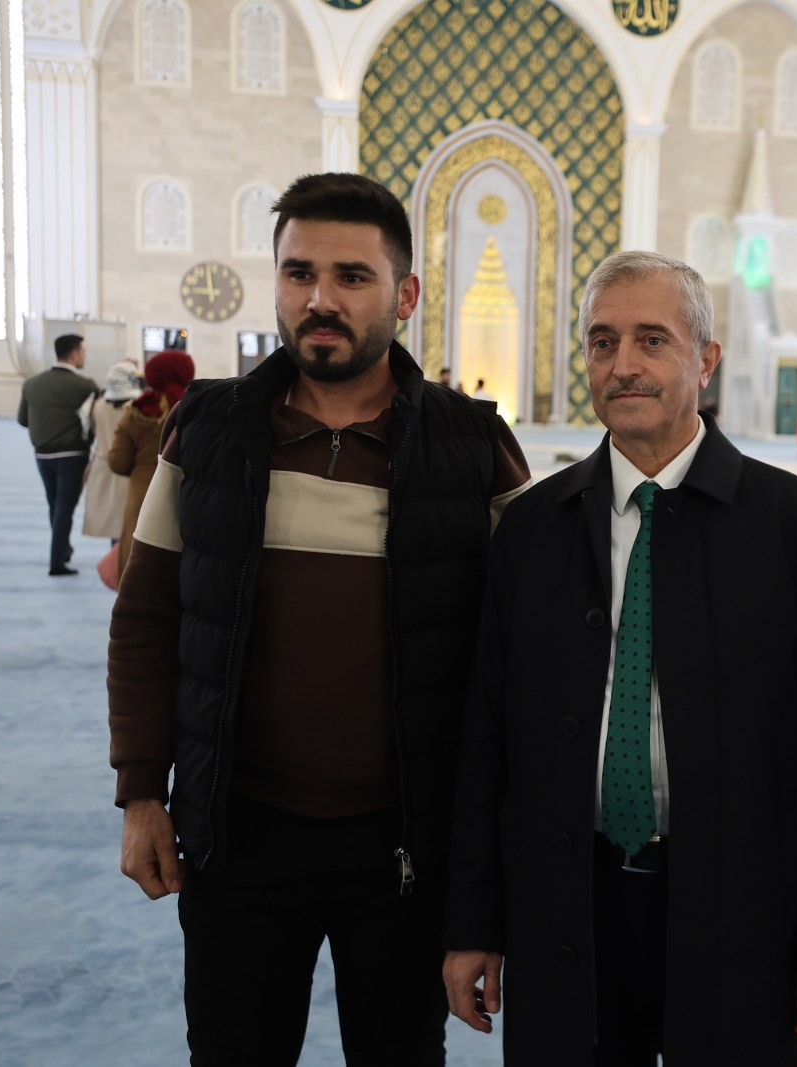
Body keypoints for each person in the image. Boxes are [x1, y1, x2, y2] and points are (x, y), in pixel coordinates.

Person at [107, 172, 530, 1066]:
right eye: (299, 273)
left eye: (352, 276)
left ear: (405, 295)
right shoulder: (205, 432)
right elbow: (145, 618)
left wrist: (495, 860)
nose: (320, 299)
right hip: (238, 838)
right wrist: (142, 789)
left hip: (407, 847)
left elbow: (528, 660)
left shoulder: (473, 447)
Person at [443, 251, 797, 1066]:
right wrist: (472, 922)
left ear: (705, 360)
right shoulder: (532, 529)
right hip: (567, 904)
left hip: (742, 914)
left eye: (652, 339)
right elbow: (485, 740)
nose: (623, 365)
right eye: (603, 342)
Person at [107, 349, 194, 579]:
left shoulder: (135, 413)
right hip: (187, 497)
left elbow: (118, 463)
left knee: (138, 567)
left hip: (143, 497)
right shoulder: (197, 410)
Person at [18, 334, 99, 575]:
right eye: (83, 352)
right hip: (72, 454)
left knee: (54, 504)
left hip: (42, 455)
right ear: (74, 354)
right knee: (65, 507)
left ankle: (62, 549)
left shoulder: (32, 384)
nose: (84, 356)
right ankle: (57, 562)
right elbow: (95, 420)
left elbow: (23, 420)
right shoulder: (85, 386)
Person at [82, 360, 142, 547]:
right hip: (128, 469)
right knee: (128, 523)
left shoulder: (97, 405)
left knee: (112, 523)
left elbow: (90, 430)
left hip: (103, 468)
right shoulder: (135, 408)